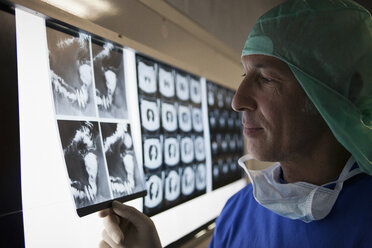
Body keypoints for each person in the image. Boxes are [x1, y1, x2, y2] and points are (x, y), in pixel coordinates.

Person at [98, 0, 372, 247]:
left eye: (266, 79)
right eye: (245, 74)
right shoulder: (237, 214)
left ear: (341, 92)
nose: (237, 100)